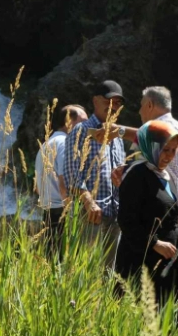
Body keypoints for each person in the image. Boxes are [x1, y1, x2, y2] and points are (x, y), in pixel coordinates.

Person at [115, 120, 178, 310]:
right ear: (151, 147)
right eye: (165, 150)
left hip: (165, 263)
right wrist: (154, 243)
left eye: (173, 150)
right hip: (141, 264)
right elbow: (126, 221)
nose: (169, 156)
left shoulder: (164, 176)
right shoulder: (137, 175)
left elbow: (168, 218)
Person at [63, 80, 126, 268]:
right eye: (109, 101)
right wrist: (89, 202)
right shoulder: (81, 131)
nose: (113, 106)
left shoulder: (117, 136)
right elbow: (71, 175)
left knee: (108, 274)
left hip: (115, 215)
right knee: (85, 271)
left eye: (117, 103)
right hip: (89, 216)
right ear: (95, 101)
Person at [106, 86, 178, 224]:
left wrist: (118, 131)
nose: (139, 112)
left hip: (169, 214)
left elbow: (157, 137)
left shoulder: (169, 125)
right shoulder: (163, 128)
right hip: (159, 211)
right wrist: (128, 170)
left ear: (149, 105)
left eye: (141, 106)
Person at [35, 104, 88, 254]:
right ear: (68, 122)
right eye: (83, 121)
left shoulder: (46, 145)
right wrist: (71, 215)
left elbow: (37, 188)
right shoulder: (65, 143)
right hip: (63, 214)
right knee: (65, 264)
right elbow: (65, 180)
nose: (87, 126)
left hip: (48, 212)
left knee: (51, 261)